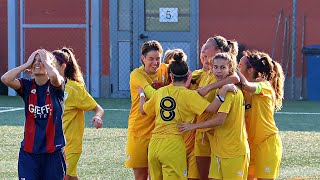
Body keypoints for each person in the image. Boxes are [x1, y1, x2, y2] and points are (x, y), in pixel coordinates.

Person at [139, 49, 237, 180]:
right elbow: (213, 108)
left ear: (171, 76)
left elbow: (143, 110)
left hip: (154, 144)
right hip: (173, 145)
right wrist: (224, 90)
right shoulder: (189, 95)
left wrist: (141, 95)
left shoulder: (160, 92)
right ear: (188, 75)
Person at [179, 52, 250, 180]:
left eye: (223, 67)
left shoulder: (230, 91)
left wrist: (193, 126)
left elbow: (219, 120)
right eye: (216, 67)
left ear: (230, 69)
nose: (218, 71)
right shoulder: (221, 89)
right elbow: (211, 108)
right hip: (218, 151)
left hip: (234, 152)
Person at [1, 49, 66, 180]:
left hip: (53, 153)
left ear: (49, 64)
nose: (37, 63)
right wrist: (27, 64)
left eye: (41, 60)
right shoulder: (27, 86)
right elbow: (5, 79)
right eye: (35, 61)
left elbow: (54, 77)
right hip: (29, 153)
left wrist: (46, 62)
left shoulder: (56, 85)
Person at [52, 47, 104, 180]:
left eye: (52, 65)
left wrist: (97, 117)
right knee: (70, 177)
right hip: (51, 145)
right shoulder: (47, 86)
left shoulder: (74, 89)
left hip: (69, 146)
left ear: (63, 66)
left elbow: (98, 109)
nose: (49, 68)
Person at [193, 36, 240, 180]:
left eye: (207, 47)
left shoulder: (224, 74)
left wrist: (209, 88)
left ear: (218, 50)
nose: (203, 49)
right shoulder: (204, 73)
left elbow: (235, 78)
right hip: (200, 133)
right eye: (202, 47)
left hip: (215, 134)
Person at [237, 50, 284, 180]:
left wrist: (229, 67)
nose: (237, 68)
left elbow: (247, 85)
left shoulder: (264, 86)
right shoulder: (241, 91)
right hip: (249, 146)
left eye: (239, 66)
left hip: (266, 144)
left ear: (250, 70)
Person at [125, 40, 167, 180]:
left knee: (158, 175)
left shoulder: (165, 69)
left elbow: (183, 75)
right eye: (151, 59)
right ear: (143, 59)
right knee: (141, 176)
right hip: (139, 130)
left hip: (159, 131)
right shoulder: (136, 74)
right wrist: (165, 90)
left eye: (158, 59)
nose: (155, 62)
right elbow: (152, 94)